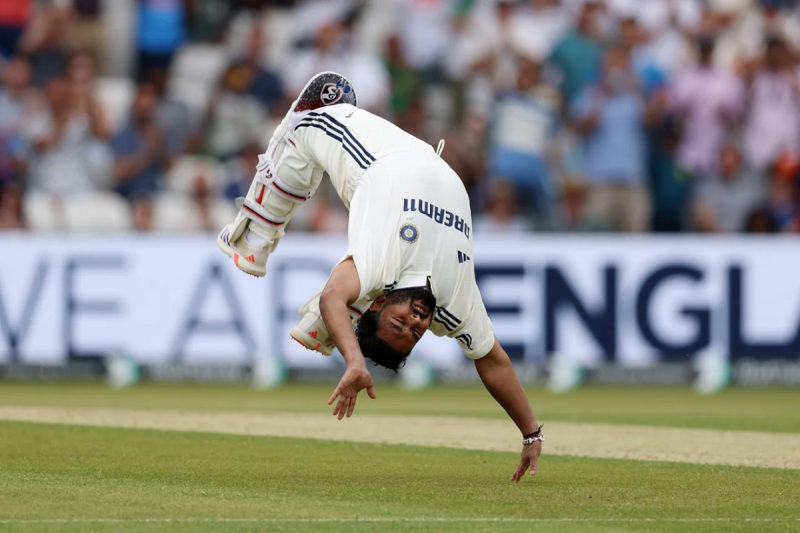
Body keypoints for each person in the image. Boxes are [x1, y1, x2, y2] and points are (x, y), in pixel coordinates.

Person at [217, 72, 543, 481]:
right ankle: (333, 325)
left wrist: (353, 361)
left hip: (348, 137)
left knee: (299, 135)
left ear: (382, 303)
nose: (417, 321)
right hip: (428, 157)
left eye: (399, 323)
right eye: (417, 330)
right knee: (343, 298)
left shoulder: (382, 265)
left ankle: (255, 234)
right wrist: (531, 433)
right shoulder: (455, 303)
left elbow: (332, 298)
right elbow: (493, 362)